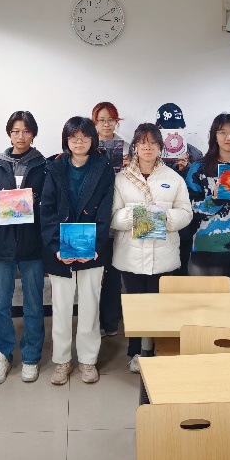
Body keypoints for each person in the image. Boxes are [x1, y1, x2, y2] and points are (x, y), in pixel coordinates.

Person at [111, 123, 192, 372]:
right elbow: (112, 217)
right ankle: (136, 351)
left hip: (163, 254)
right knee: (136, 305)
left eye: (153, 143)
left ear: (160, 147)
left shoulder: (173, 178)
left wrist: (163, 218)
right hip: (130, 255)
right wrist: (138, 217)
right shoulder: (121, 179)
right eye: (143, 142)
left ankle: (156, 350)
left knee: (159, 306)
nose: (148, 147)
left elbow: (186, 213)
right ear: (135, 146)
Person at [41, 117, 115, 385]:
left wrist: (96, 246)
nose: (79, 142)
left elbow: (106, 210)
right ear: (67, 140)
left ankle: (88, 360)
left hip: (92, 249)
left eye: (85, 137)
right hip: (60, 250)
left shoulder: (104, 168)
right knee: (61, 308)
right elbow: (46, 209)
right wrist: (56, 247)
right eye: (74, 137)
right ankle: (62, 361)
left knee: (89, 307)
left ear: (93, 139)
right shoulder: (54, 166)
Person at [0, 111, 46, 384]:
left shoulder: (44, 166)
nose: (21, 136)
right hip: (1, 245)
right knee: (0, 304)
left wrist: (36, 205)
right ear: (9, 133)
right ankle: (2, 355)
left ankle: (31, 356)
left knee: (33, 304)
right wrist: (1, 207)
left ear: (33, 134)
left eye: (26, 131)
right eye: (16, 131)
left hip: (33, 244)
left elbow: (51, 205)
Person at [185, 114, 230, 292]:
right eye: (222, 132)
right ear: (214, 136)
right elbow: (189, 209)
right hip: (207, 249)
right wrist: (215, 200)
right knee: (207, 305)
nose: (228, 137)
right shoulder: (198, 168)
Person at [155, 102, 203, 275]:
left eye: (177, 128)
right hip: (153, 218)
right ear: (158, 128)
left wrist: (188, 169)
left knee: (180, 268)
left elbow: (201, 189)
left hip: (183, 222)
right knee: (153, 270)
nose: (172, 132)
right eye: (166, 128)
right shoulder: (147, 150)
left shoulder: (194, 154)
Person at [92, 102, 126, 338]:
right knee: (93, 274)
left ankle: (111, 322)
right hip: (94, 218)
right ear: (95, 122)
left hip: (118, 215)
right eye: (101, 120)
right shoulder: (87, 145)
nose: (106, 124)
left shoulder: (127, 148)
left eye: (110, 120)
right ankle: (94, 323)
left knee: (114, 273)